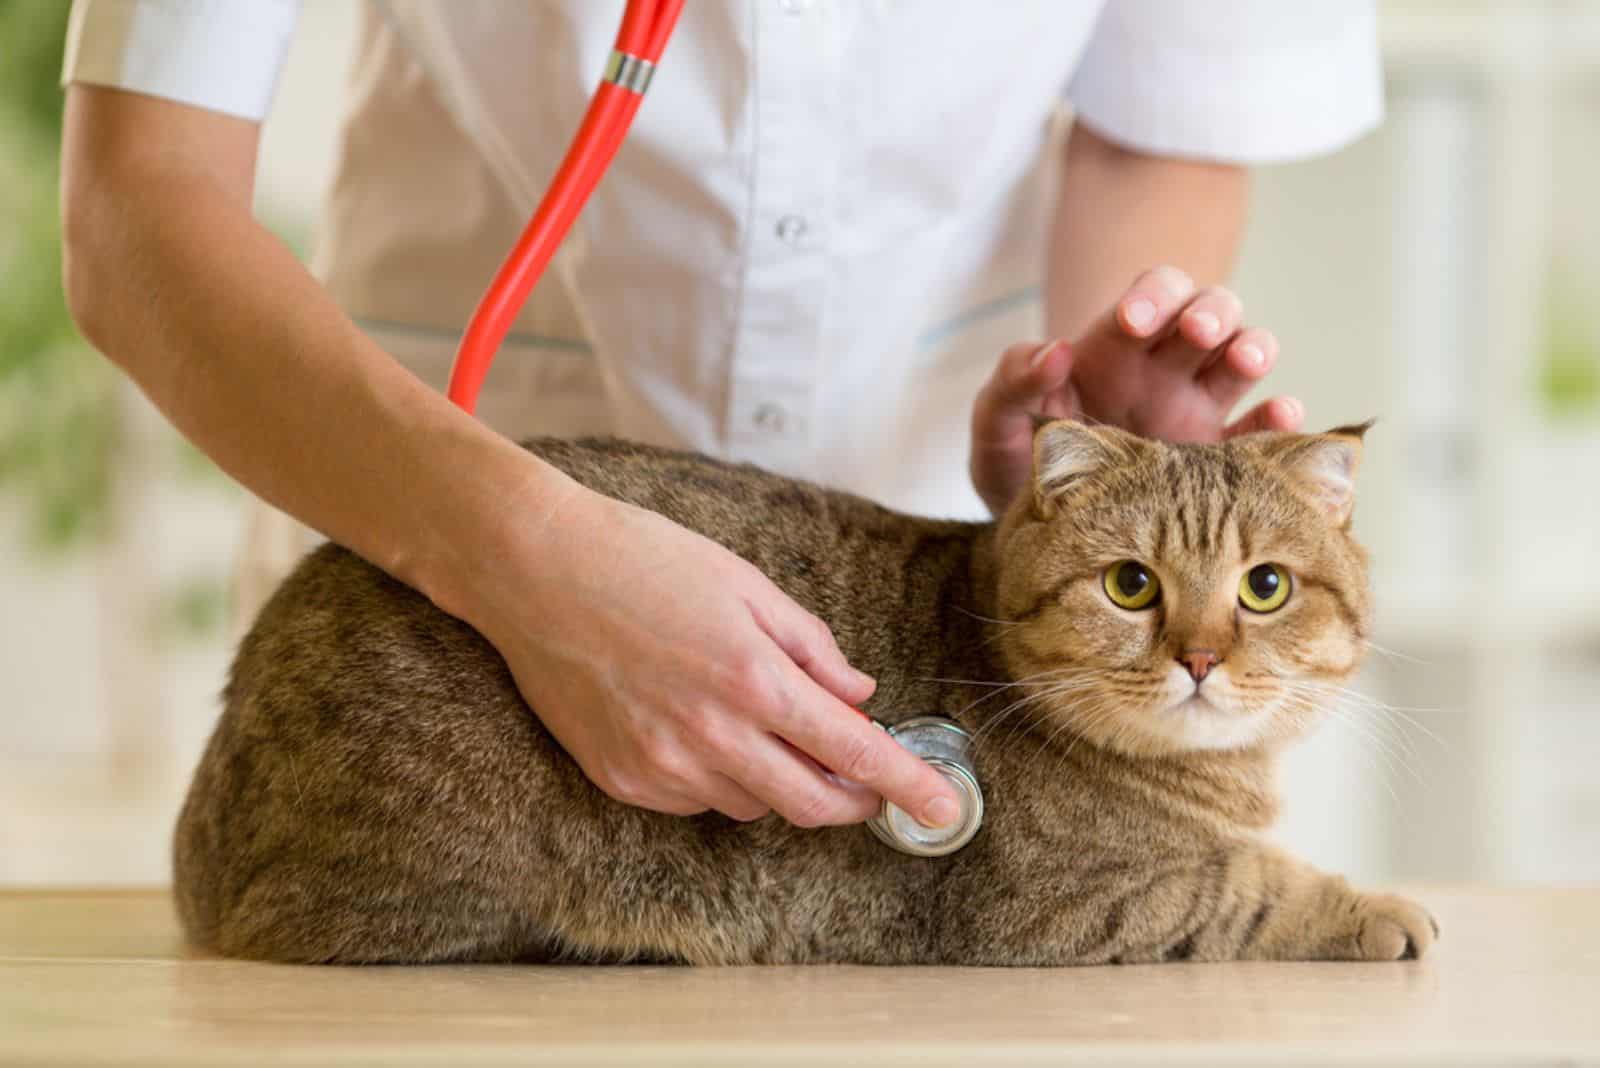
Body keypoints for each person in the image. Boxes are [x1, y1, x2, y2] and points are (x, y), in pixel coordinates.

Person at [59, 2, 1382, 833]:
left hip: (955, 605)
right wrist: (524, 562)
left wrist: (1087, 472)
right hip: (449, 574)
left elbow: (1169, 115)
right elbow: (139, 209)